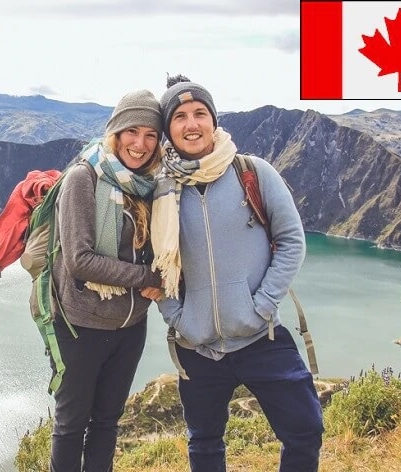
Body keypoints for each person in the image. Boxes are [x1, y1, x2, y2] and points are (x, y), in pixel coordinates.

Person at [150, 75, 324, 471]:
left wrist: (261, 306)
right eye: (179, 116)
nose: (191, 123)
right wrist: (178, 316)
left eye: (199, 113)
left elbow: (292, 240)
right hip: (197, 345)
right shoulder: (159, 191)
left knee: (305, 429)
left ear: (213, 120)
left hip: (261, 335)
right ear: (168, 128)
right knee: (205, 443)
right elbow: (154, 262)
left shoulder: (253, 172)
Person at [48, 89, 164, 471]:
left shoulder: (149, 184)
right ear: (116, 131)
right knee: (71, 425)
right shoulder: (84, 178)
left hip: (131, 324)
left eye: (150, 135)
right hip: (80, 324)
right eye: (132, 131)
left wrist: (155, 284)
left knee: (106, 421)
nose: (141, 144)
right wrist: (146, 278)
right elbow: (80, 260)